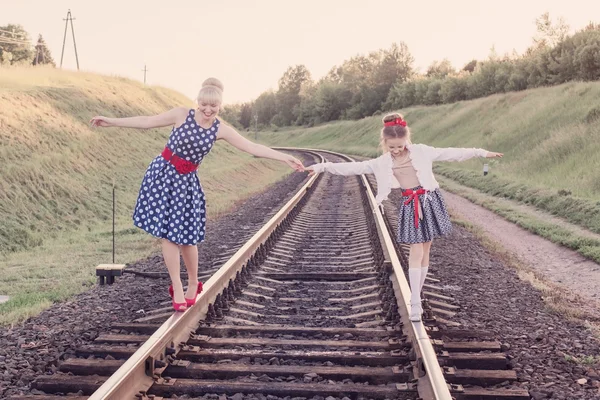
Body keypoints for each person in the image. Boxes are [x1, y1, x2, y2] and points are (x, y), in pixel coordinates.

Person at [90, 78, 304, 311]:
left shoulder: (220, 129)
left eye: (214, 106)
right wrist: (111, 121)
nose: (208, 110)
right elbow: (147, 121)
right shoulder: (182, 114)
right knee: (168, 235)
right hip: (162, 176)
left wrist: (284, 157)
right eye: (204, 104)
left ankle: (193, 282)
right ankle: (177, 287)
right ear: (198, 101)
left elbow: (252, 147)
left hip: (187, 184)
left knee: (188, 239)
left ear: (220, 106)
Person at [306, 113, 502, 321]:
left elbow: (451, 153)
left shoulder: (421, 152)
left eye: (400, 146)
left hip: (430, 200)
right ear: (385, 143)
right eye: (392, 147)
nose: (397, 150)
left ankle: (417, 293)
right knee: (416, 248)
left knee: (426, 247)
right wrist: (321, 166)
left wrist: (481, 153)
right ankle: (415, 301)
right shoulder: (382, 162)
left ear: (406, 139)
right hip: (411, 204)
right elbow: (353, 168)